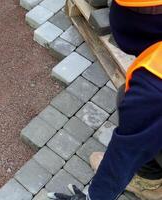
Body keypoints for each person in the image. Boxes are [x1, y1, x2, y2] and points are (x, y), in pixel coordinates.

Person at [48, 0, 162, 199]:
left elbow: (127, 151)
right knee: (127, 97)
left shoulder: (153, 84)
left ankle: (151, 186)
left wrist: (95, 195)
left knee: (139, 112)